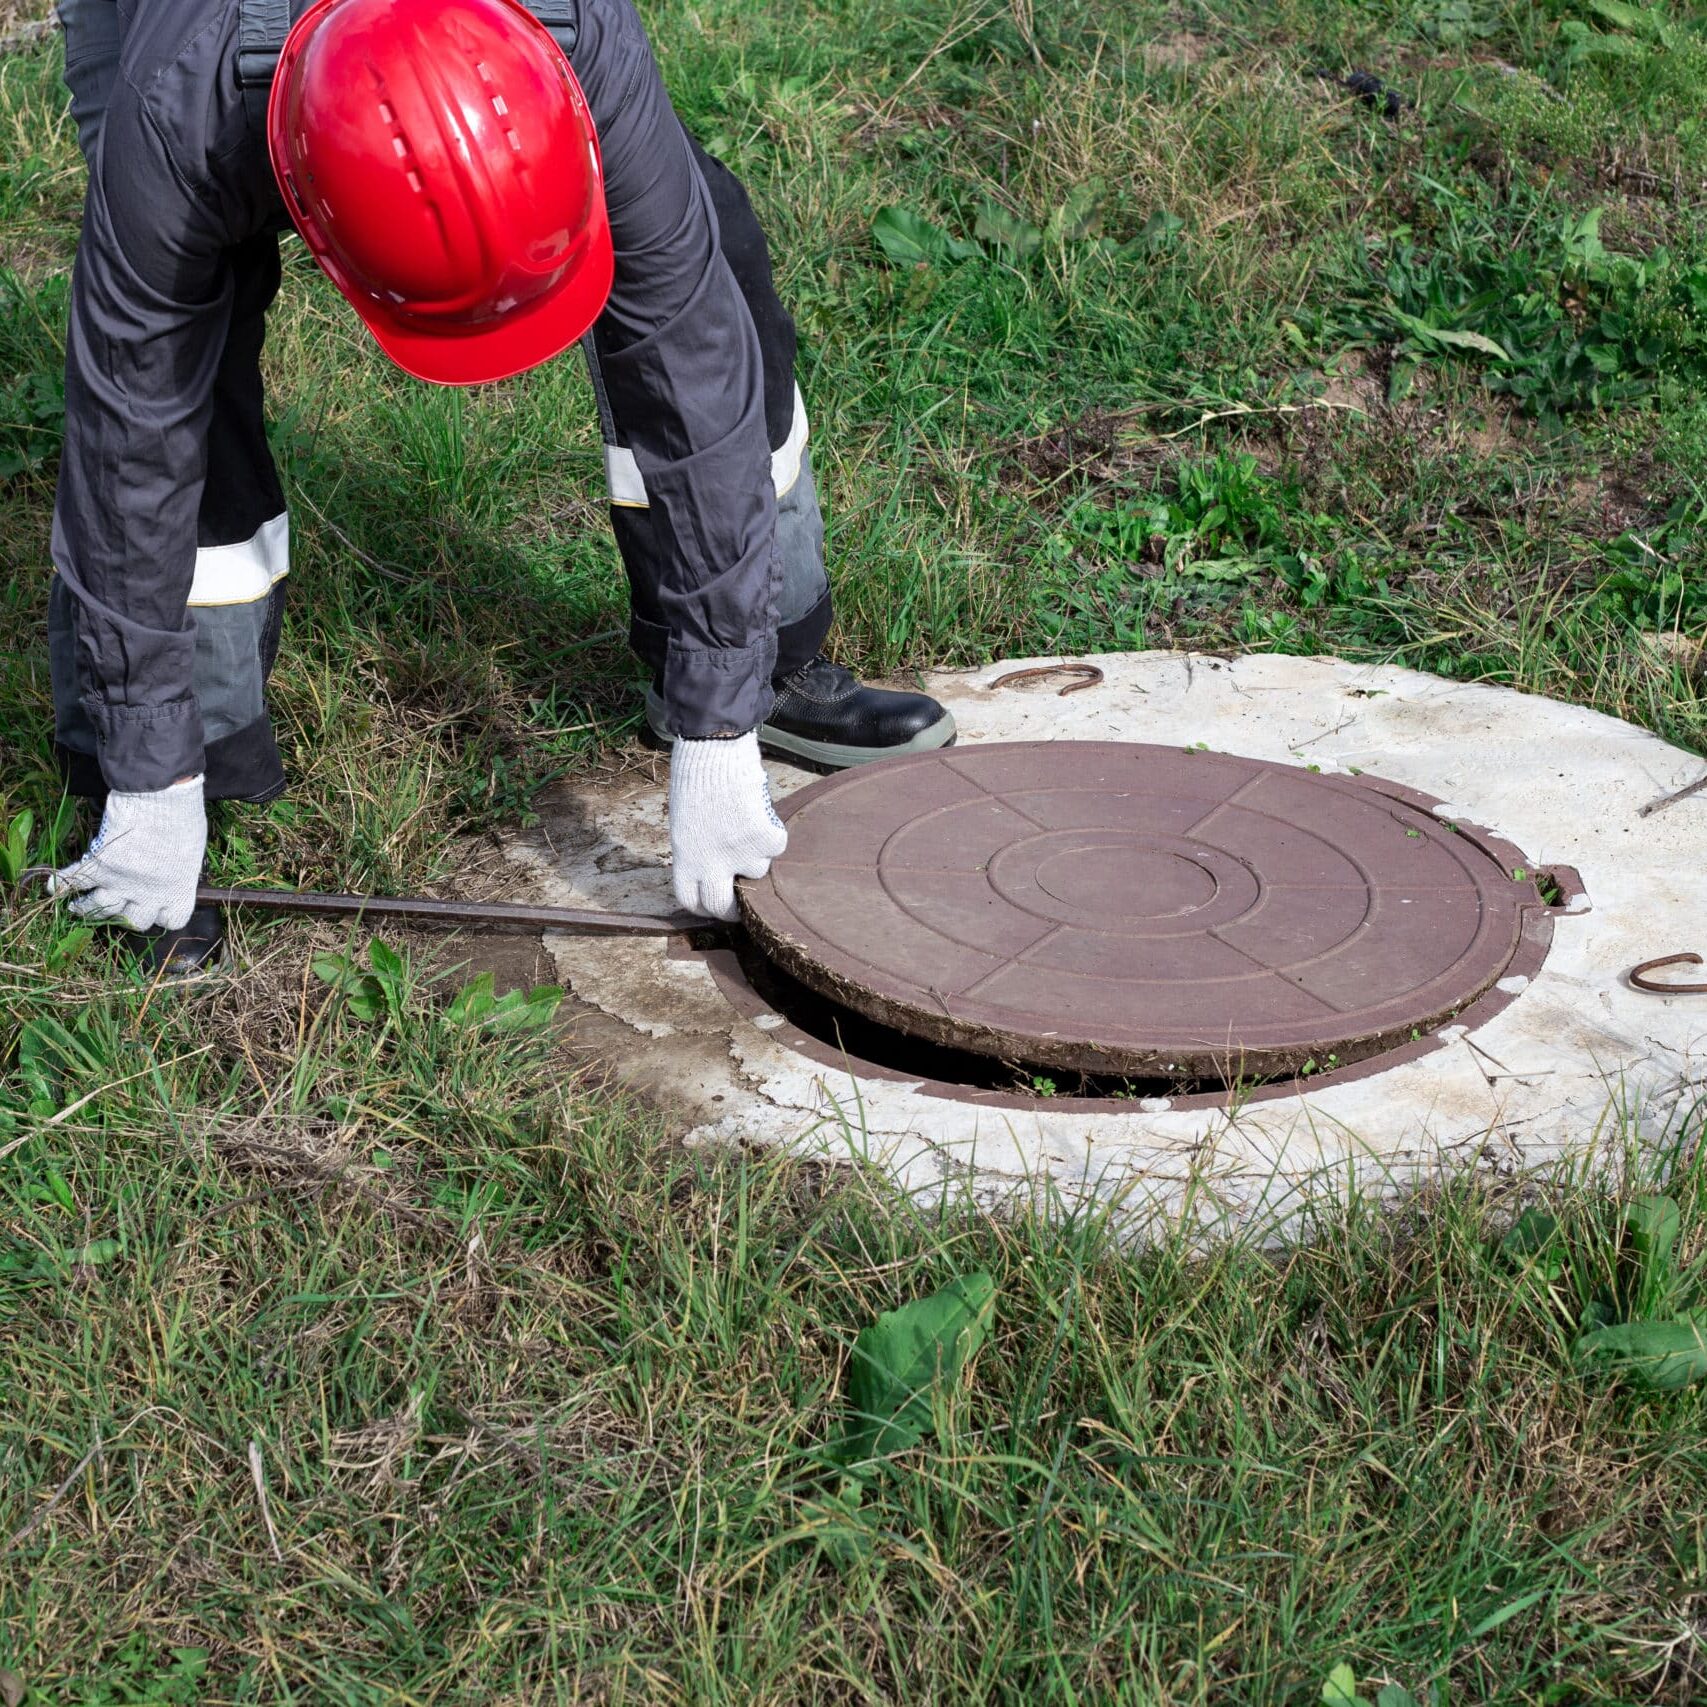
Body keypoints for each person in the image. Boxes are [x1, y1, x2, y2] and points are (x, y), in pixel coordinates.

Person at [45, 0, 954, 967]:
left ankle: (758, 665)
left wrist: (717, 724)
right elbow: (129, 445)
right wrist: (152, 780)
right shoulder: (174, 113)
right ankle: (149, 785)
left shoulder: (575, 32)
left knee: (708, 243)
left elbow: (687, 361)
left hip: (493, 53)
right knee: (190, 353)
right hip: (187, 41)